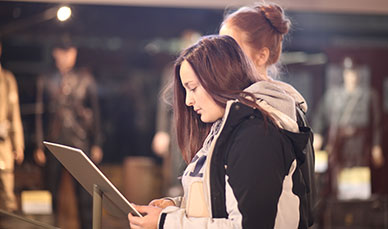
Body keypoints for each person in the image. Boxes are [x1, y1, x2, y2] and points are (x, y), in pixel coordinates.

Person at [128, 35, 312, 228]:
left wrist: (166, 222)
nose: (188, 101)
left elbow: (246, 224)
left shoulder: (256, 135)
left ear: (220, 78)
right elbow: (222, 200)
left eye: (193, 88)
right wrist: (176, 206)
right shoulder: (227, 128)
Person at [219, 2, 315, 227]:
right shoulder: (267, 106)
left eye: (230, 48)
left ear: (261, 56)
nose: (221, 56)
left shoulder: (265, 114)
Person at [34, 36, 102, 229]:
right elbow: (40, 114)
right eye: (63, 52)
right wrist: (39, 144)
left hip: (80, 141)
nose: (67, 56)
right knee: (50, 192)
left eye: (71, 52)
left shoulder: (85, 79)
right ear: (55, 53)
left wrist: (97, 142)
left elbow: (96, 113)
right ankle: (45, 225)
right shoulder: (46, 79)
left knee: (85, 194)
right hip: (54, 140)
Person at [312, 58, 385, 197]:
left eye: (354, 72)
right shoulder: (333, 96)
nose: (351, 76)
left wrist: (377, 145)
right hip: (339, 143)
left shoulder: (369, 95)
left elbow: (377, 124)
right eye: (348, 73)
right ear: (344, 74)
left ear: (358, 74)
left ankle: (358, 204)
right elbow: (320, 115)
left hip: (360, 143)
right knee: (337, 175)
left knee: (360, 173)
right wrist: (317, 134)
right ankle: (340, 203)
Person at [0, 40, 24, 212]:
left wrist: (18, 144)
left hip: (3, 142)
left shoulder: (7, 79)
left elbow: (14, 114)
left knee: (8, 195)